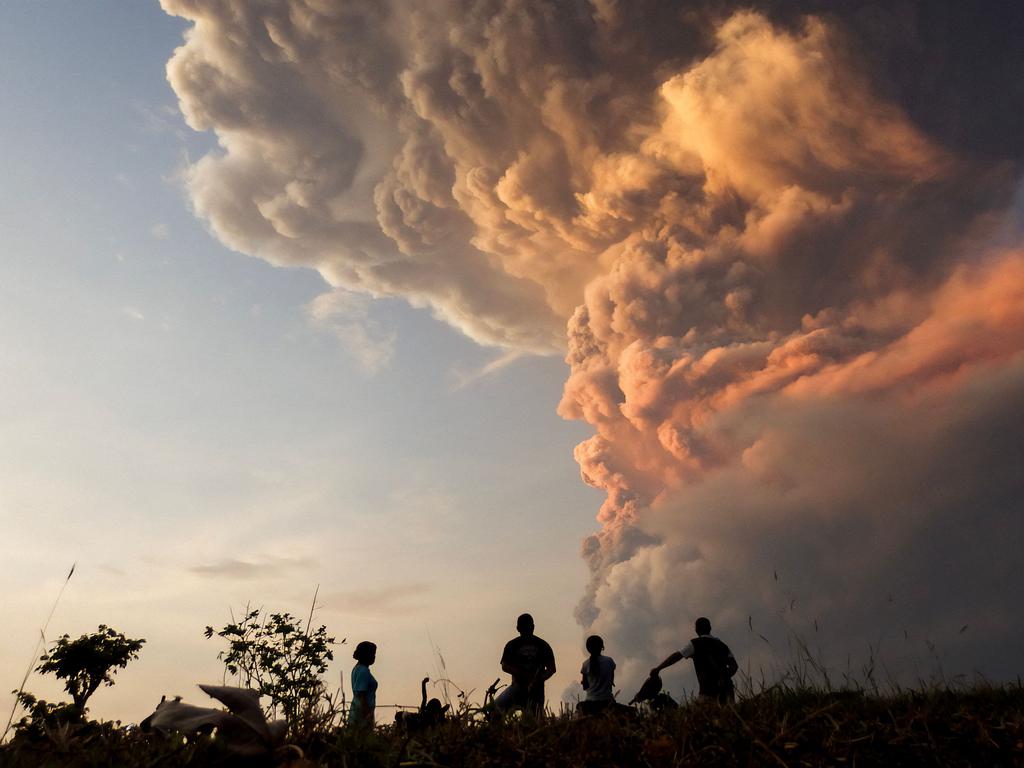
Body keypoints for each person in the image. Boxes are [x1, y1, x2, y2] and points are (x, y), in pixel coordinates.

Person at [651, 617, 738, 703]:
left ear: (696, 630)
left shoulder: (695, 644)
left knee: (705, 715)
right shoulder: (722, 645)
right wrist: (724, 677)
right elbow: (734, 666)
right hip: (727, 691)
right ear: (710, 628)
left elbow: (677, 656)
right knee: (730, 715)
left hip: (707, 692)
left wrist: (658, 669)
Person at [494, 613, 556, 715]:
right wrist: (527, 676)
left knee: (495, 710)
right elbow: (552, 669)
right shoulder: (542, 644)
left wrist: (537, 680)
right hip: (521, 688)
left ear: (517, 628)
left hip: (531, 690)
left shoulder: (513, 644)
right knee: (535, 721)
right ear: (533, 626)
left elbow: (504, 666)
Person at [578, 634, 616, 715]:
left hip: (590, 702)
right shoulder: (609, 661)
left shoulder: (585, 664)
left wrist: (584, 682)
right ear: (602, 647)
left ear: (588, 649)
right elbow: (611, 681)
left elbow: (585, 687)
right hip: (607, 700)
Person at [348, 641, 378, 726]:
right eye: (371, 654)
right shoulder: (363, 671)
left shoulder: (357, 669)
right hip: (362, 714)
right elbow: (362, 695)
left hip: (357, 710)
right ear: (365, 654)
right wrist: (367, 715)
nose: (374, 657)